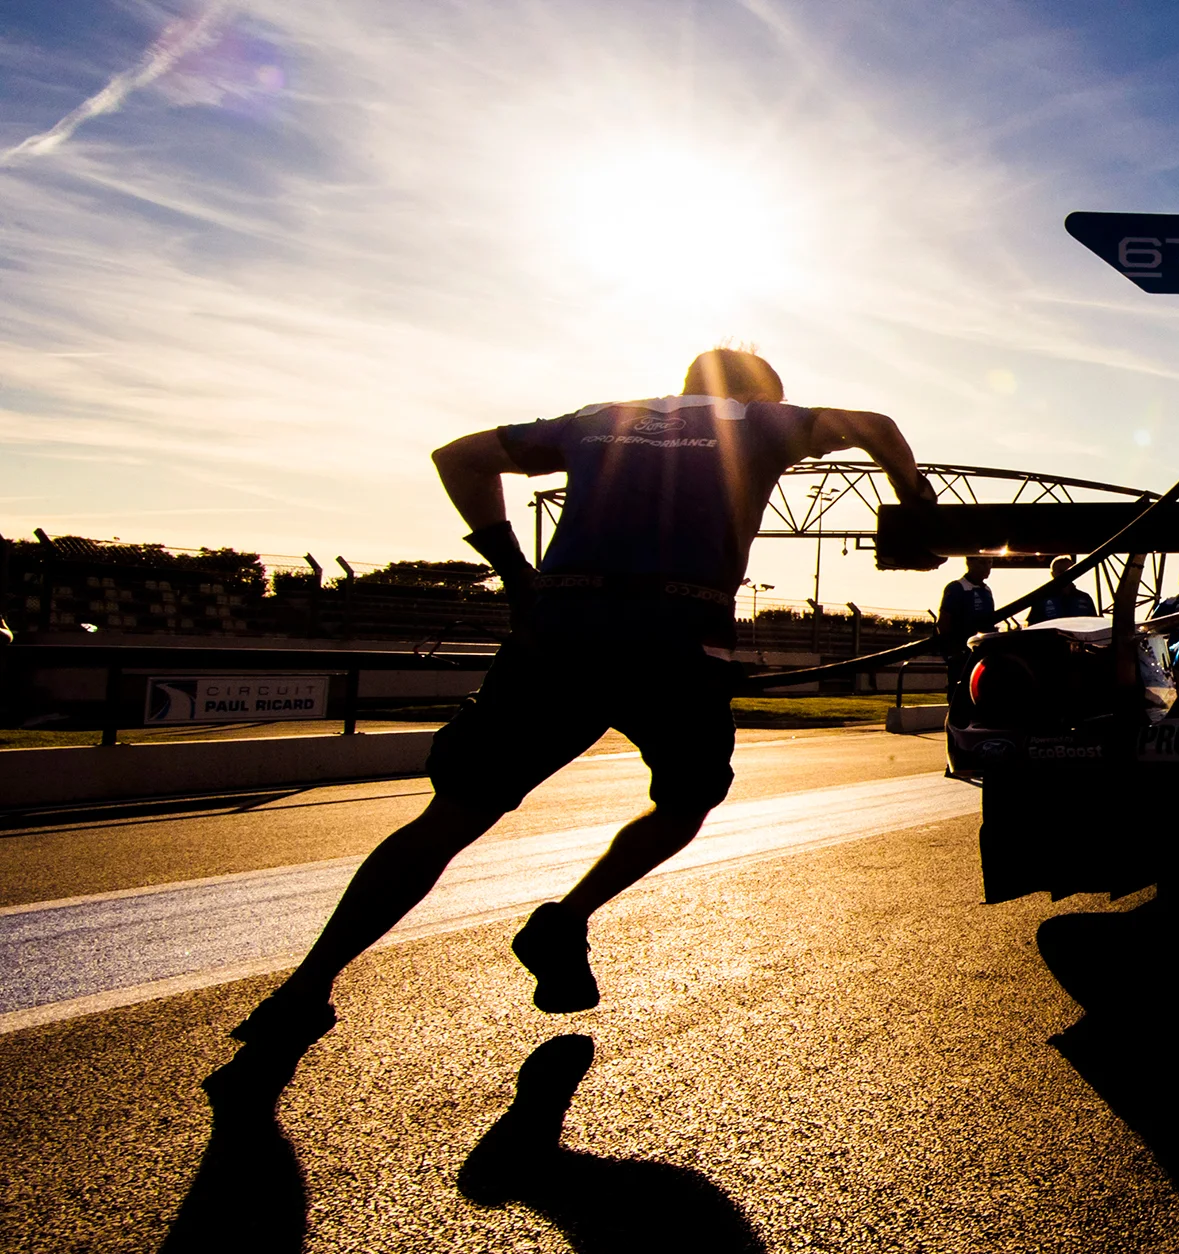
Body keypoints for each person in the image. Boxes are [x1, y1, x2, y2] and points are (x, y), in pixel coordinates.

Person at [234, 348, 935, 1045]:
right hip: (674, 639)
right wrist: (917, 506)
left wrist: (516, 573)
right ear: (763, 395)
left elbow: (459, 458)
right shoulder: (755, 421)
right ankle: (566, 918)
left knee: (453, 815)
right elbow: (874, 425)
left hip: (560, 633)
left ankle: (306, 987)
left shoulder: (602, 418)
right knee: (685, 802)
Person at [937, 556, 995, 714]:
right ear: (969, 563)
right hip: (961, 654)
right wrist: (953, 651)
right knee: (959, 698)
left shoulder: (987, 591)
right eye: (982, 563)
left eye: (989, 563)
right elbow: (944, 621)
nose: (987, 567)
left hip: (980, 655)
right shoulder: (957, 588)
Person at [1025, 554, 1098, 623]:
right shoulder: (1041, 599)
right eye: (1061, 571)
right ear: (1053, 574)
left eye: (1068, 571)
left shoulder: (1085, 598)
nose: (1065, 575)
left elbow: (1094, 623)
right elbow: (1032, 626)